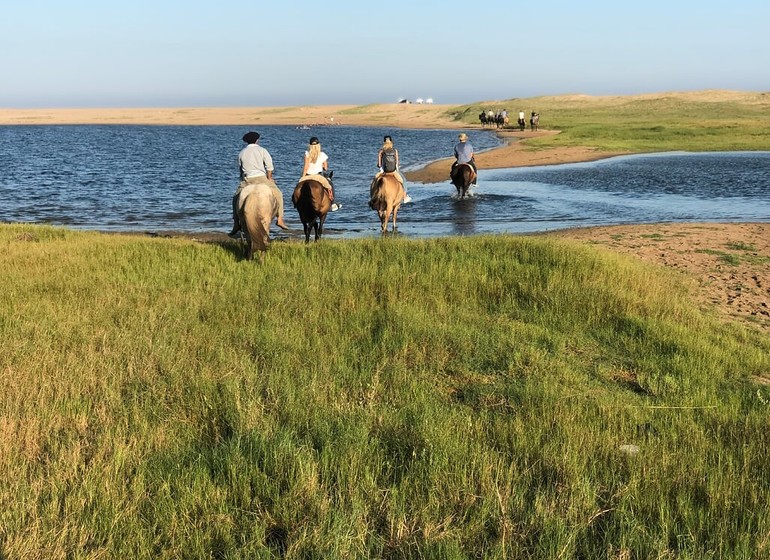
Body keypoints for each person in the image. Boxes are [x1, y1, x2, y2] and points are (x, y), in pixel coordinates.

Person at [229, 131, 288, 237]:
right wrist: (269, 178)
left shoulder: (242, 153)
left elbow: (241, 169)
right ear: (257, 140)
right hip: (261, 178)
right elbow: (269, 166)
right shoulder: (262, 150)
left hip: (248, 180)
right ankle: (280, 219)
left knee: (236, 197)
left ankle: (236, 223)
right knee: (278, 194)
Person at [298, 136, 340, 211]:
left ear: (310, 145)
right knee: (330, 186)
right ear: (318, 145)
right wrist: (322, 166)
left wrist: (302, 177)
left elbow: (306, 167)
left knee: (298, 188)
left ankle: (296, 203)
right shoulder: (322, 154)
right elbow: (326, 168)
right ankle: (332, 203)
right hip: (318, 176)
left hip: (308, 176)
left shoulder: (307, 154)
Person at [371, 135, 411, 204]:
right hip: (393, 171)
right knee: (403, 180)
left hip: (384, 172)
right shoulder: (395, 151)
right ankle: (405, 197)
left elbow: (379, 165)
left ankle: (372, 197)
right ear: (391, 142)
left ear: (384, 142)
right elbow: (397, 163)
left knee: (374, 182)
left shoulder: (381, 151)